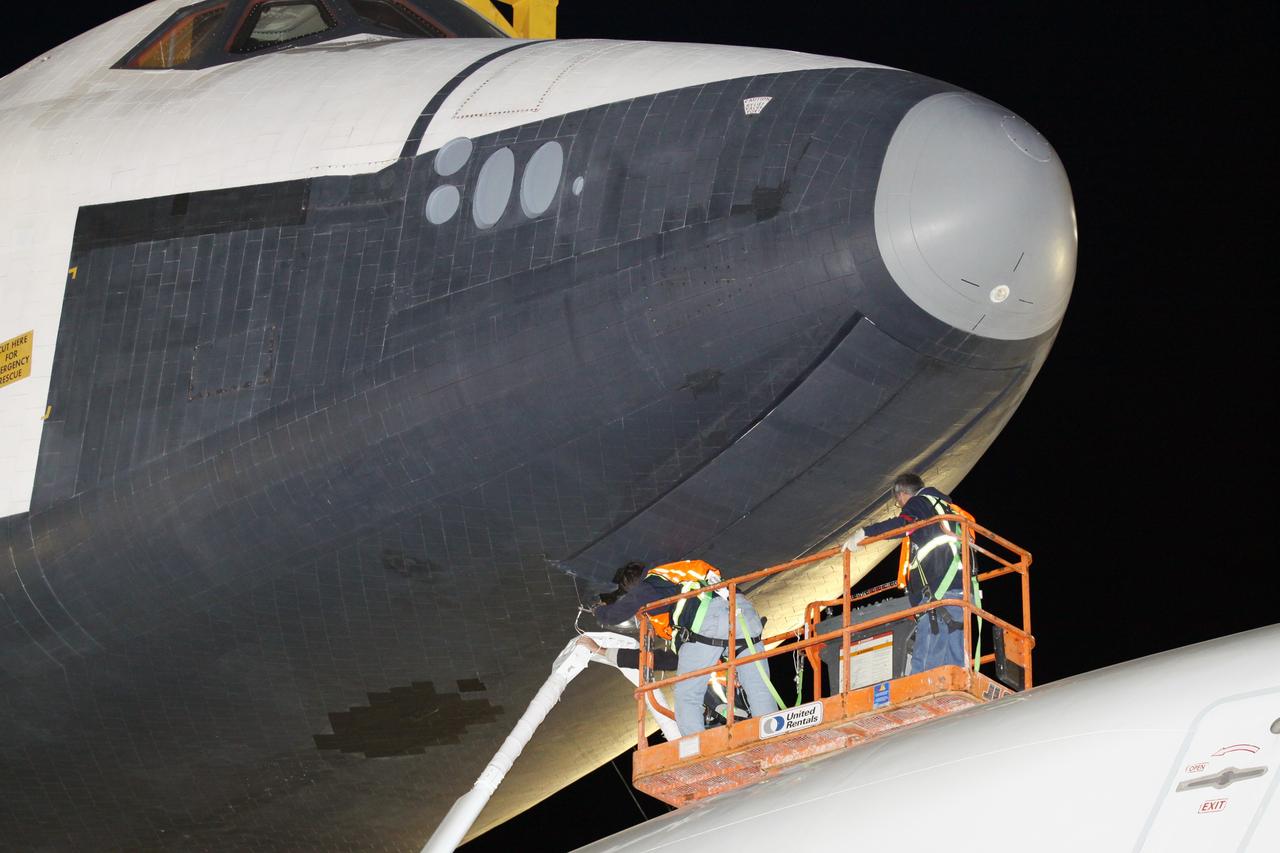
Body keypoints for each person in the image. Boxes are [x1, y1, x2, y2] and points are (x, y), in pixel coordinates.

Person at [593, 559, 779, 736]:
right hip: (744, 614)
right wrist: (609, 653)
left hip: (711, 618)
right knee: (758, 685)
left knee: (688, 696)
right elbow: (670, 659)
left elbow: (618, 612)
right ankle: (772, 734)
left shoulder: (651, 582)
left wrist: (600, 611)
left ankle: (695, 750)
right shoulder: (680, 577)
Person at [843, 472, 970, 674]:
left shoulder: (919, 503)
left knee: (926, 664)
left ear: (901, 494)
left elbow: (903, 524)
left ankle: (924, 691)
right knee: (955, 664)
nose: (901, 505)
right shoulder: (946, 508)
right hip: (960, 591)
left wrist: (866, 532)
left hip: (938, 592)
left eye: (898, 502)